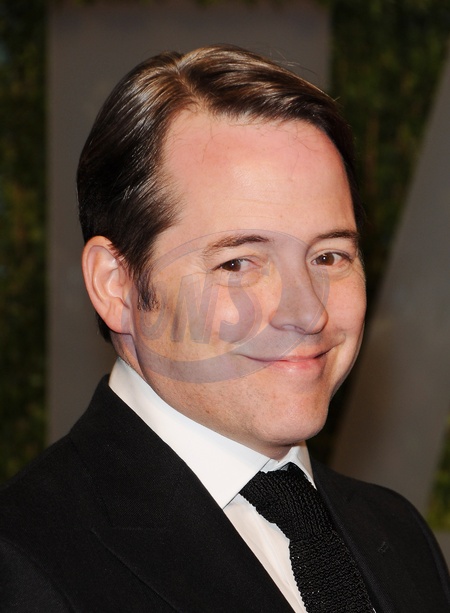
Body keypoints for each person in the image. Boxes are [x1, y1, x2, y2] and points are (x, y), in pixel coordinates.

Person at [0, 45, 449, 612]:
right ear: (116, 285)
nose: (308, 311)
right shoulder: (24, 565)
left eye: (329, 256)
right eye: (238, 263)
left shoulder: (399, 538)